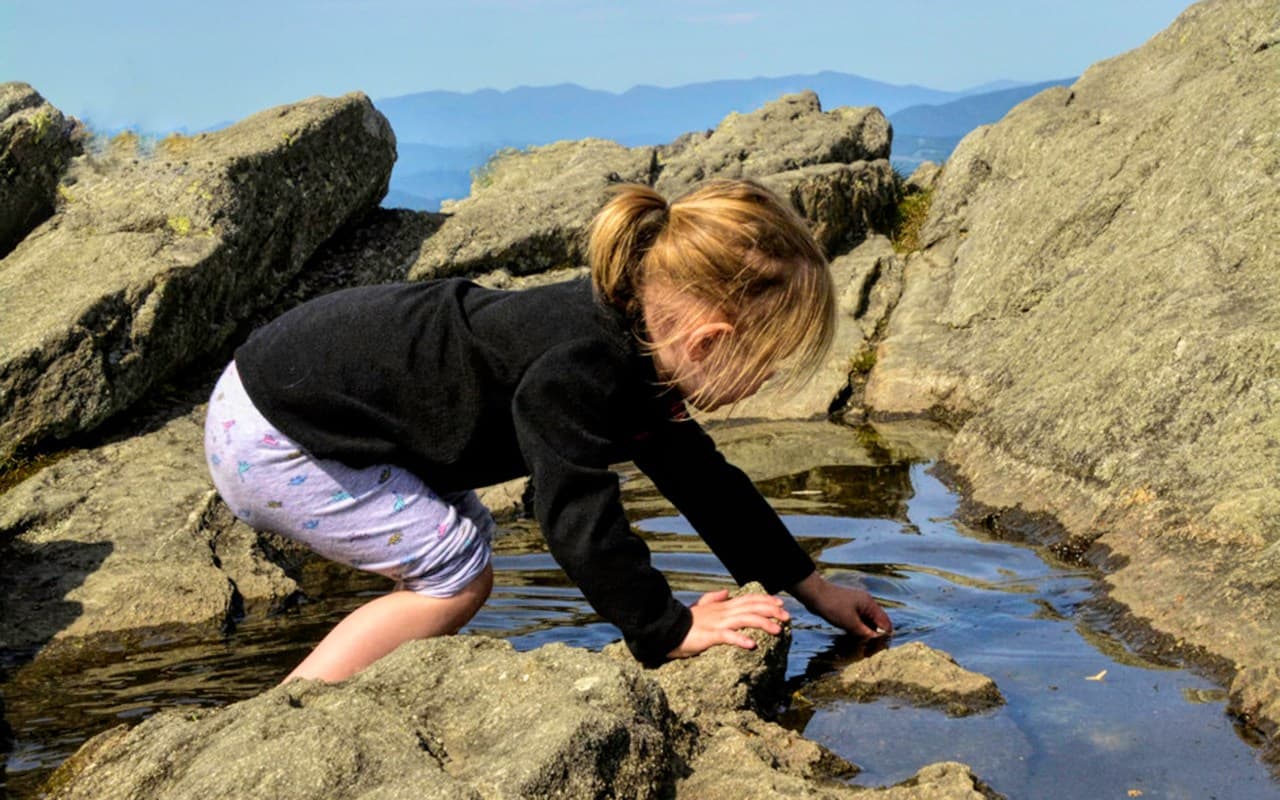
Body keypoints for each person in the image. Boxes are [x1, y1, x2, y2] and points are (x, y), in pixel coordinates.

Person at [204, 177, 892, 684]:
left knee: (461, 540)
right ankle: (300, 704)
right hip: (278, 434)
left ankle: (358, 671)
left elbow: (705, 483)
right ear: (710, 342)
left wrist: (812, 586)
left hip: (300, 402)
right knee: (457, 574)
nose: (766, 384)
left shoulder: (634, 334)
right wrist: (668, 629)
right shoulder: (580, 367)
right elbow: (576, 519)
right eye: (766, 367)